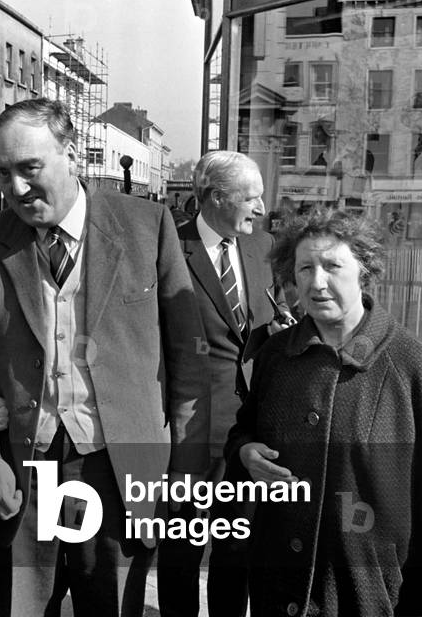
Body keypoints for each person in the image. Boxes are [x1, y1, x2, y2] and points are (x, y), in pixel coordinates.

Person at [0, 98, 211, 616]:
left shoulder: (147, 226)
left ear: (71, 154)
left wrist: (184, 470)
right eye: (2, 173)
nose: (16, 188)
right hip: (26, 468)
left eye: (30, 168)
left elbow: (189, 364)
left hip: (118, 471)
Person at [225, 208, 422, 615]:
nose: (317, 282)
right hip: (278, 592)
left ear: (364, 271)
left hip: (372, 600)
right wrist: (244, 452)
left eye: (332, 266)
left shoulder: (417, 371)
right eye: (305, 268)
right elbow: (243, 431)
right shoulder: (275, 355)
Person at [158, 150, 292, 617]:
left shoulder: (263, 247)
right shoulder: (169, 247)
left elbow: (269, 313)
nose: (260, 209)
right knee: (181, 554)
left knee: (237, 553)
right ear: (215, 197)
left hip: (249, 432)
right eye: (250, 199)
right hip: (190, 433)